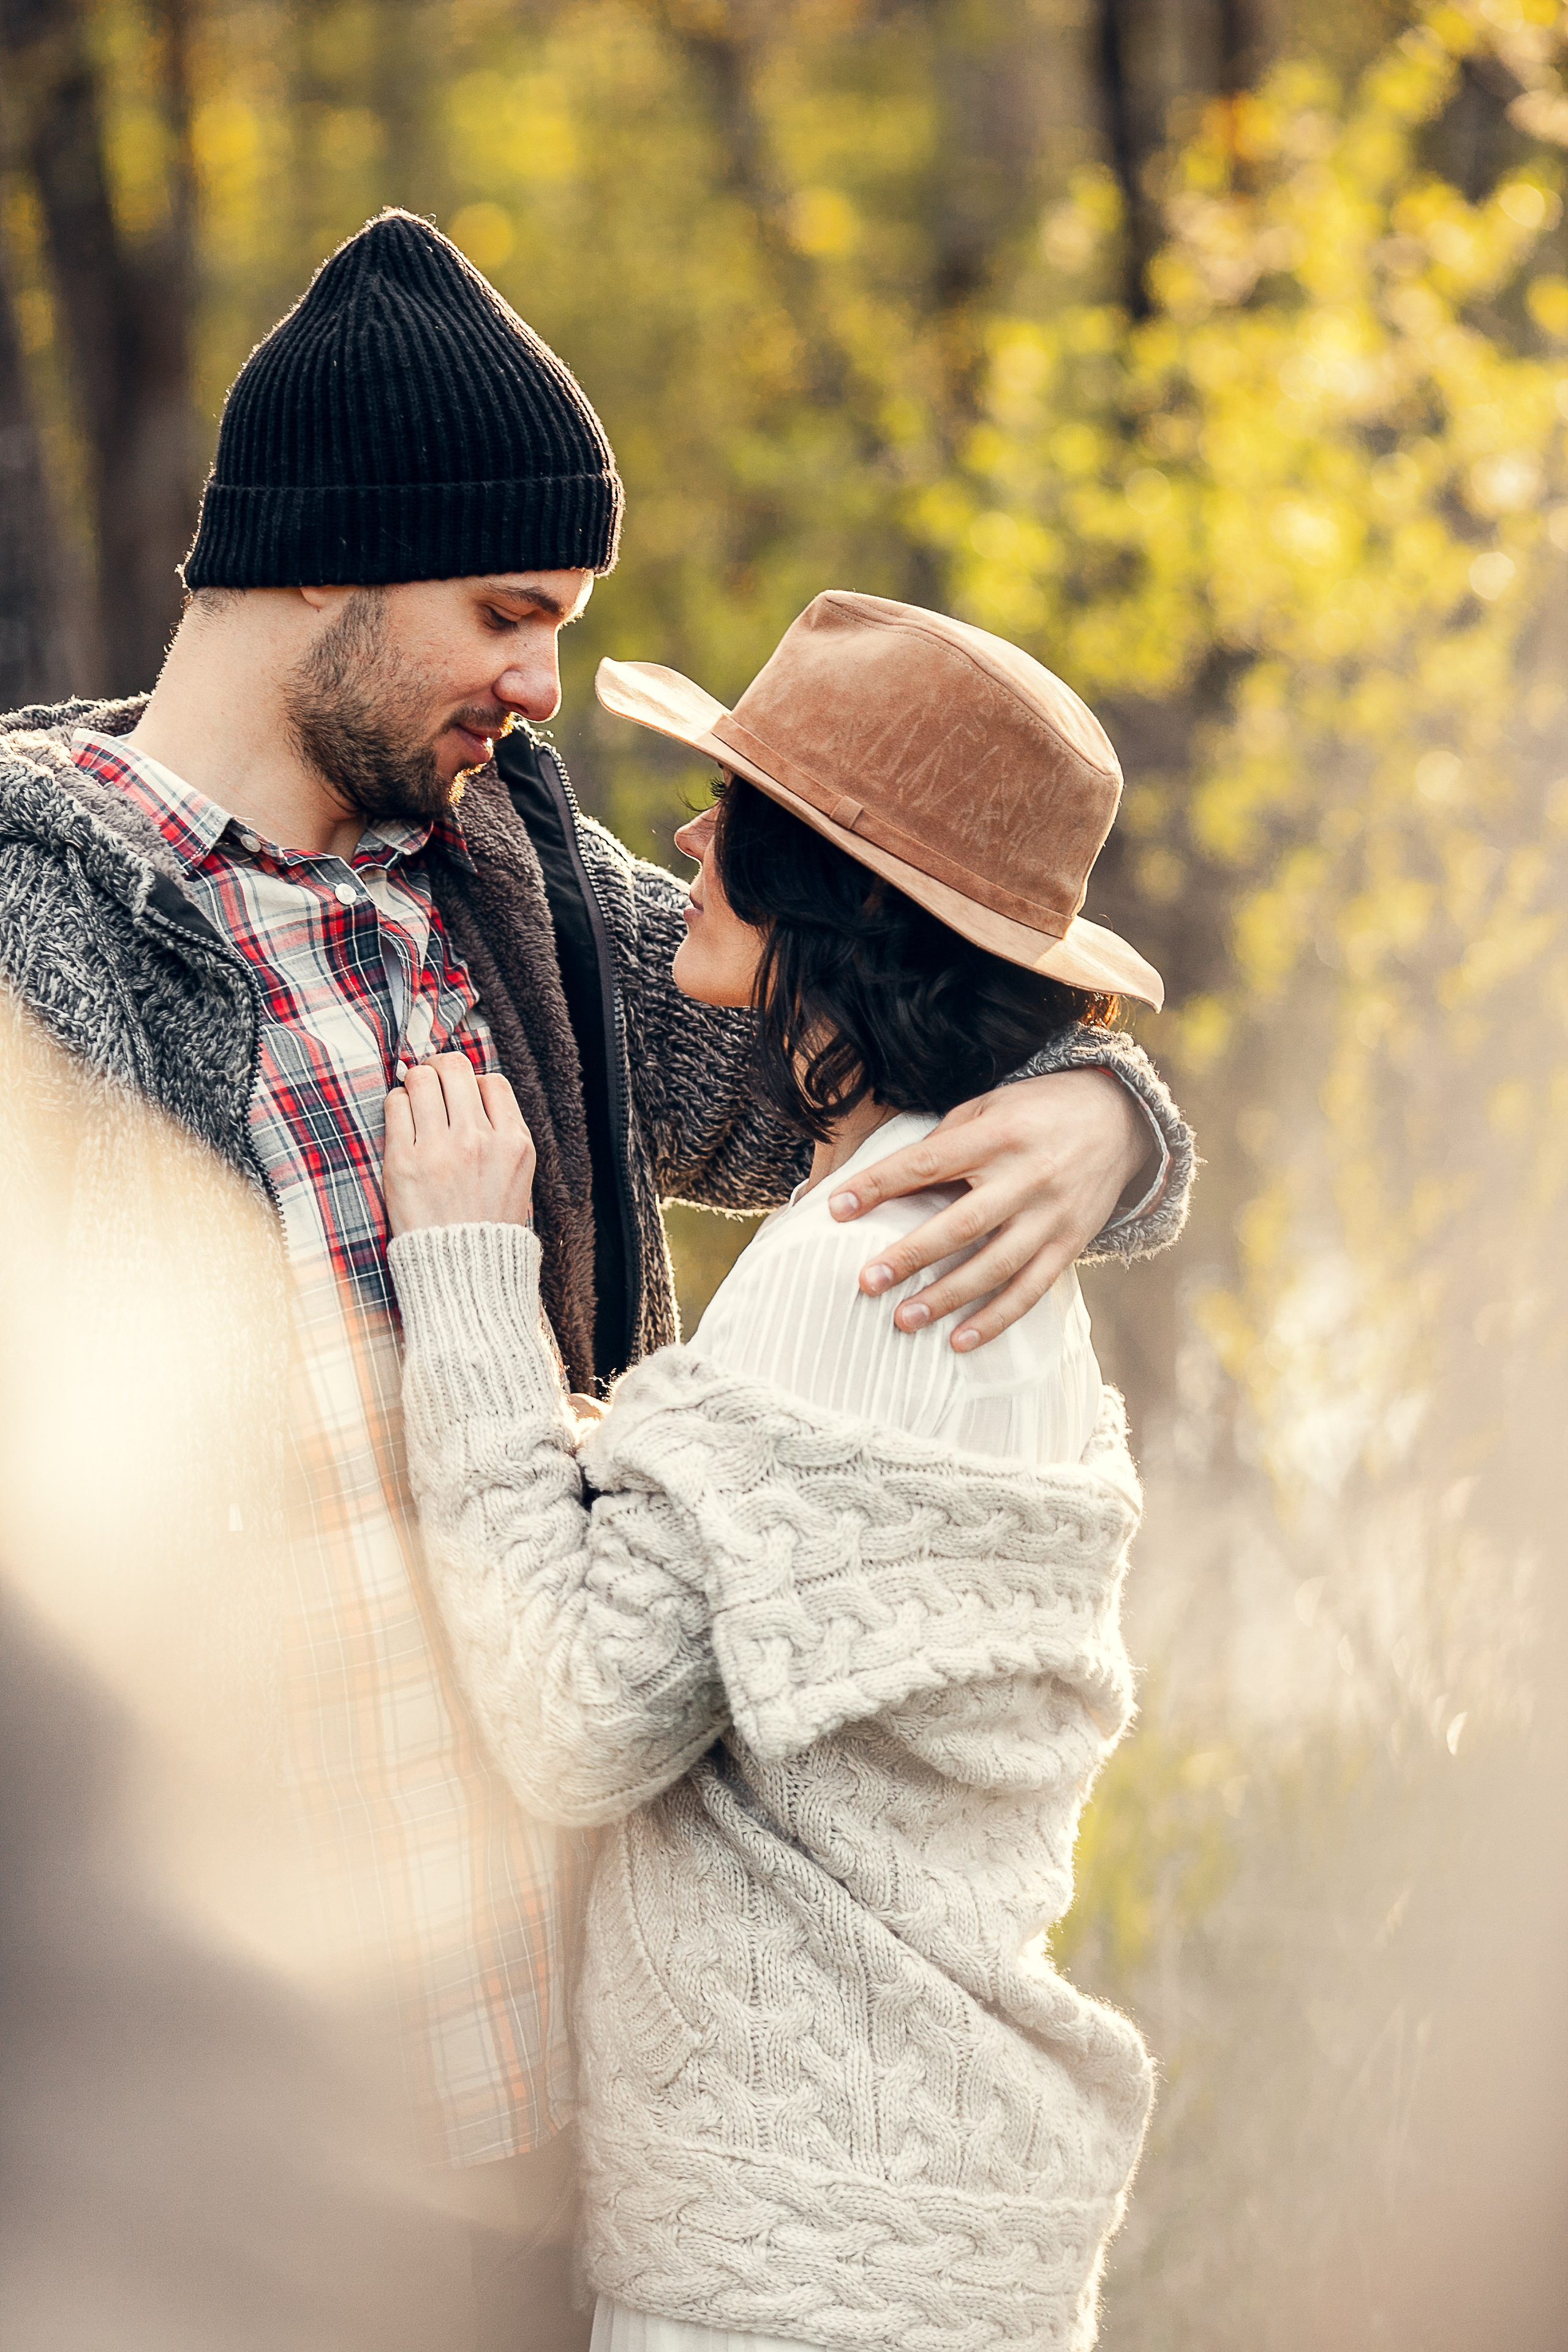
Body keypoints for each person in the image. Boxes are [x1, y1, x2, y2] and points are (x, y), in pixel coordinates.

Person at [0, 209, 1189, 2351]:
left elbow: (874, 1040)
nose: (546, 688)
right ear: (324, 569)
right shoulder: (27, 929)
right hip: (238, 2140)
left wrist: (1113, 1120)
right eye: (511, 614)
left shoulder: (514, 872)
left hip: (589, 2115)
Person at [381, 592, 1167, 2351]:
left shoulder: (868, 1255)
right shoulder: (963, 1228)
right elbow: (779, 1573)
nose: (684, 836)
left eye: (733, 813)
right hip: (915, 2209)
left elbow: (584, 1709)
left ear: (837, 893)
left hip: (807, 2259)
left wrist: (466, 1281)